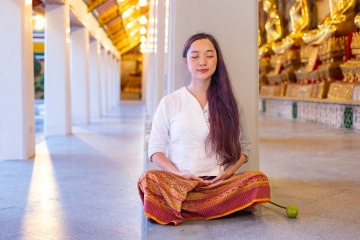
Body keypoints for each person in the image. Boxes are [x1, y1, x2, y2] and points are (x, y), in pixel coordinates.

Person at [138, 32, 270, 225]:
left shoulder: (231, 104)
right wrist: (178, 174)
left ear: (217, 61)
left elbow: (245, 148)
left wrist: (229, 173)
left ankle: (182, 208)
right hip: (180, 182)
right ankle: (214, 208)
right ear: (186, 61)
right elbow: (155, 150)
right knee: (148, 179)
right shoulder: (170, 102)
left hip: (219, 184)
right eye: (195, 56)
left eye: (209, 55)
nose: (203, 62)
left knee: (259, 180)